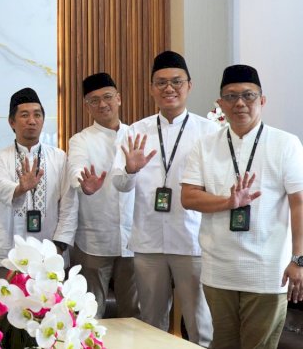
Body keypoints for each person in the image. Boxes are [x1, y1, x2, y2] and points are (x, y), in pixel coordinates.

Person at [181, 64, 303, 348]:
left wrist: (298, 259)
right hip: (218, 272)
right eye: (231, 96)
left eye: (248, 96)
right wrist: (228, 202)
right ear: (220, 103)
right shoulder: (205, 145)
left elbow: (299, 203)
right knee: (222, 344)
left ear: (262, 100)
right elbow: (189, 197)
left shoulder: (286, 144)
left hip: (267, 272)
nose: (239, 103)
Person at [111, 51, 216, 346]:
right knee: (151, 322)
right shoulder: (135, 131)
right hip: (148, 242)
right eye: (161, 82)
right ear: (151, 88)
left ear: (189, 86)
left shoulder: (209, 131)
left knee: (200, 322)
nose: (169, 88)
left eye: (176, 82)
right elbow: (119, 184)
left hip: (193, 239)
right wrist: (130, 170)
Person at [53, 73, 139, 319]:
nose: (102, 104)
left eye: (108, 97)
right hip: (93, 241)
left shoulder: (136, 134)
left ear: (119, 99)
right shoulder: (80, 140)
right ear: (86, 106)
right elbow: (76, 169)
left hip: (132, 238)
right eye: (94, 100)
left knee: (133, 313)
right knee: (90, 313)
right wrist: (84, 183)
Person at [0, 88, 68, 269]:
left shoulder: (59, 157)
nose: (32, 121)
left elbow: (69, 205)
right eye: (24, 115)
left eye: (37, 115)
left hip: (49, 253)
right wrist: (20, 189)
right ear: (11, 122)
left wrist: (60, 245)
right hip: (8, 253)